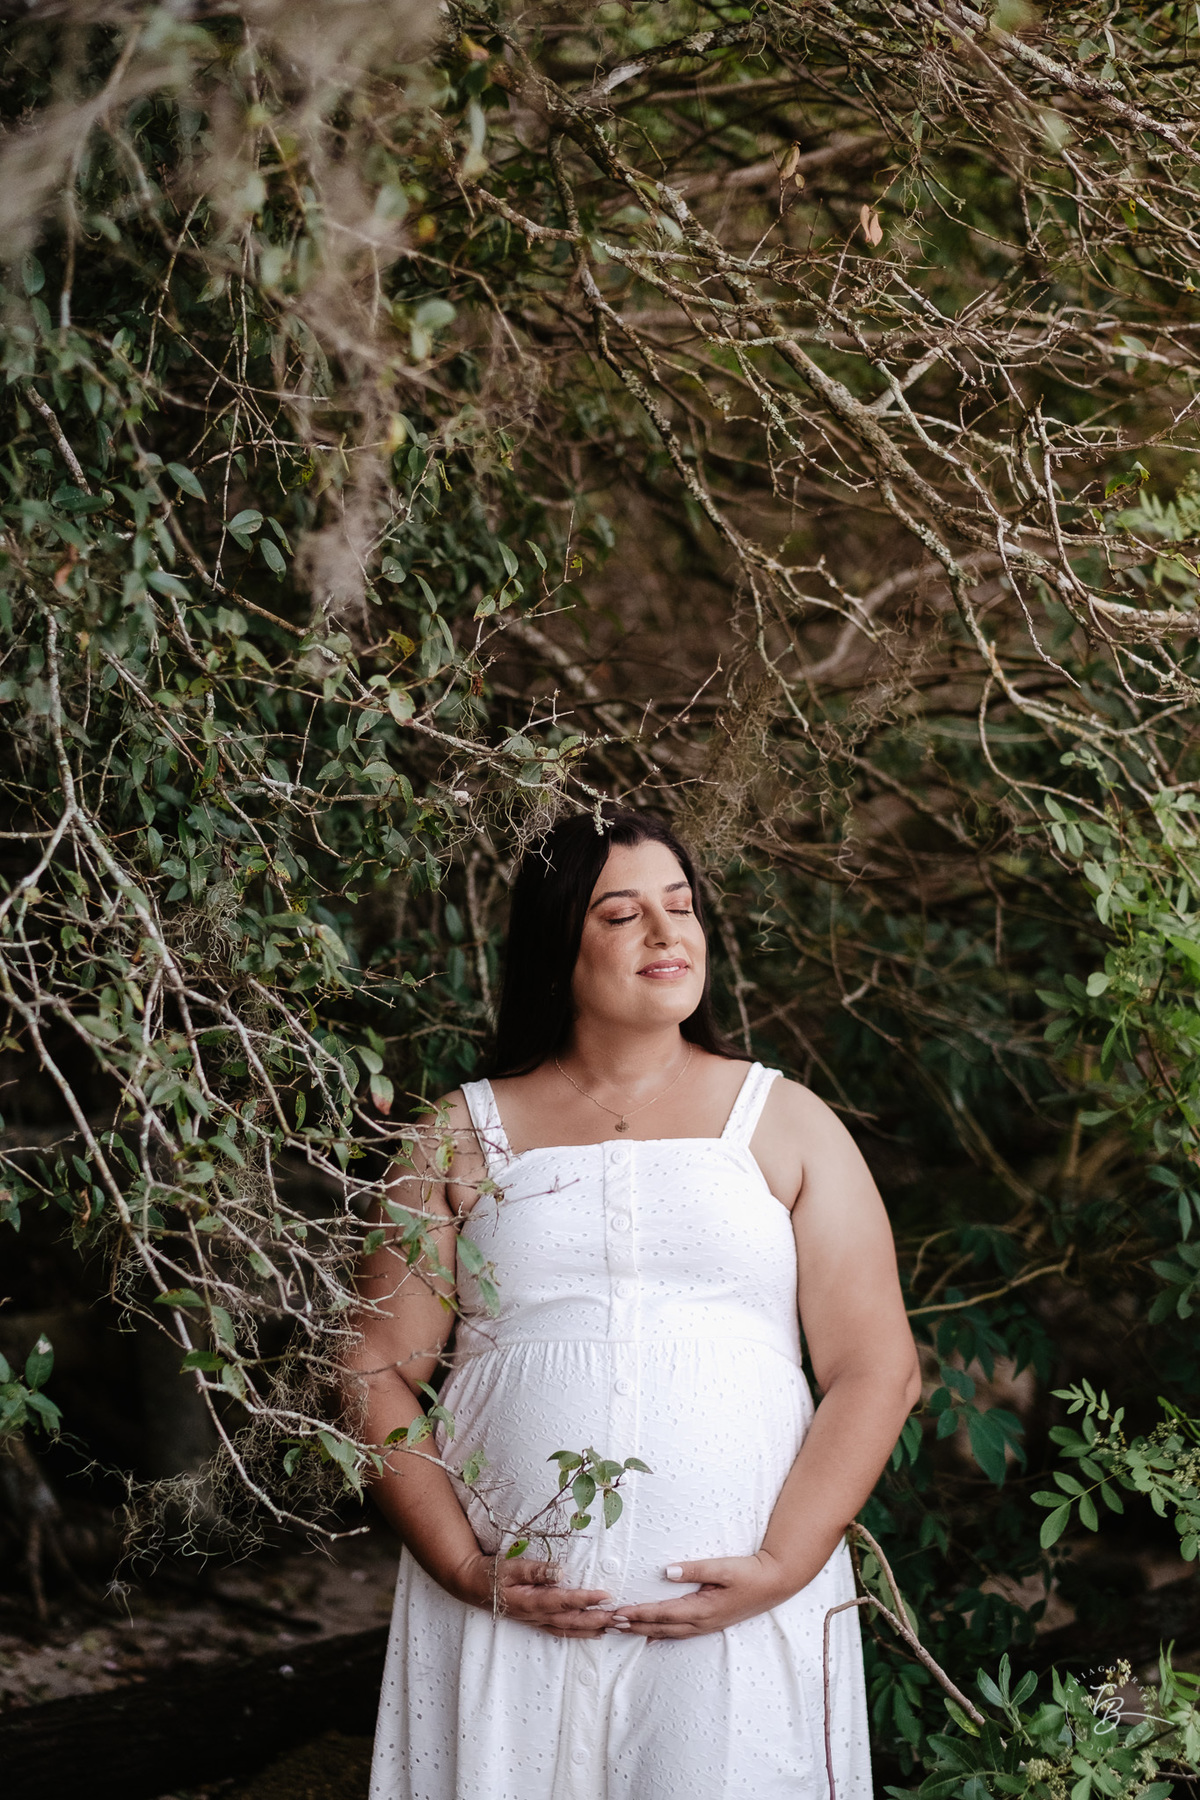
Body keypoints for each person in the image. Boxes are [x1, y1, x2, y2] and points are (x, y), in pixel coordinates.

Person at [348, 805, 921, 1800]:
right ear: (556, 945)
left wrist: (786, 1564)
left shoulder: (783, 1119)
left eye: (682, 906)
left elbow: (878, 1368)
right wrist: (457, 1565)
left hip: (735, 1604)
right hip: (507, 1608)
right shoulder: (458, 1134)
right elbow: (373, 1367)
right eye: (622, 915)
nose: (667, 933)